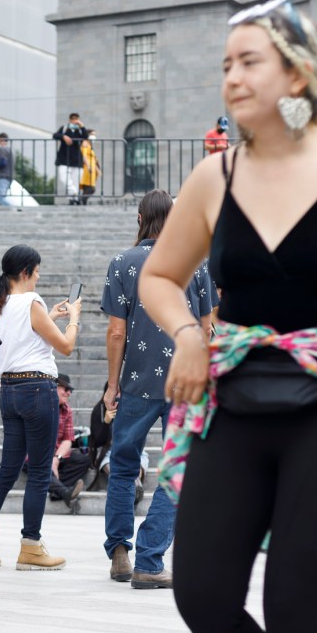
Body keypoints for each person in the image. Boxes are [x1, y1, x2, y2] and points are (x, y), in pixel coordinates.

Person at [139, 0, 317, 633]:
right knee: (202, 596)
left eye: (249, 62)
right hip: (233, 401)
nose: (231, 77)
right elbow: (161, 276)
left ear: (298, 74)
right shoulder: (215, 175)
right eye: (226, 65)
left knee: (294, 609)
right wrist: (185, 333)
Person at [101, 190, 214, 589]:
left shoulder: (122, 263)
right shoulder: (196, 263)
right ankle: (150, 560)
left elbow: (116, 332)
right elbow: (206, 328)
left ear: (139, 218)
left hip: (136, 382)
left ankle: (120, 552)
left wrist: (112, 385)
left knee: (123, 467)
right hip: (183, 381)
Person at [0, 245, 80, 570]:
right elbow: (66, 346)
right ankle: (31, 545)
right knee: (40, 471)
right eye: (37, 271)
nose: (39, 276)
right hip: (38, 389)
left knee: (7, 469)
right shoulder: (32, 302)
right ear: (25, 272)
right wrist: (73, 319)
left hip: (10, 390)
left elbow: (20, 337)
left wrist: (51, 317)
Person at [47, 373, 91, 511]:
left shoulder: (67, 410)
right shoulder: (41, 406)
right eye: (65, 389)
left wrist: (56, 459)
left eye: (70, 390)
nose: (68, 393)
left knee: (84, 460)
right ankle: (65, 492)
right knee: (41, 466)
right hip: (36, 453)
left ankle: (57, 490)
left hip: (56, 453)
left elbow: (68, 439)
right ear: (54, 387)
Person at [53, 112, 89, 205]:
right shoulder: (64, 128)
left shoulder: (80, 130)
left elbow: (86, 137)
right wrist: (63, 136)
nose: (74, 120)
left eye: (76, 118)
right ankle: (74, 192)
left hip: (77, 160)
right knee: (63, 178)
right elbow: (55, 135)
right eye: (72, 119)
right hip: (64, 159)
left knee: (76, 181)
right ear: (69, 120)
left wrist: (82, 126)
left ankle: (74, 199)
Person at [79, 136, 101, 205]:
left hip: (91, 168)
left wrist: (97, 169)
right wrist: (88, 166)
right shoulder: (85, 143)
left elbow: (93, 159)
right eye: (92, 134)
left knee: (87, 188)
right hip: (87, 169)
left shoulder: (90, 145)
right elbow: (84, 156)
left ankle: (83, 202)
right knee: (91, 188)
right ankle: (81, 200)